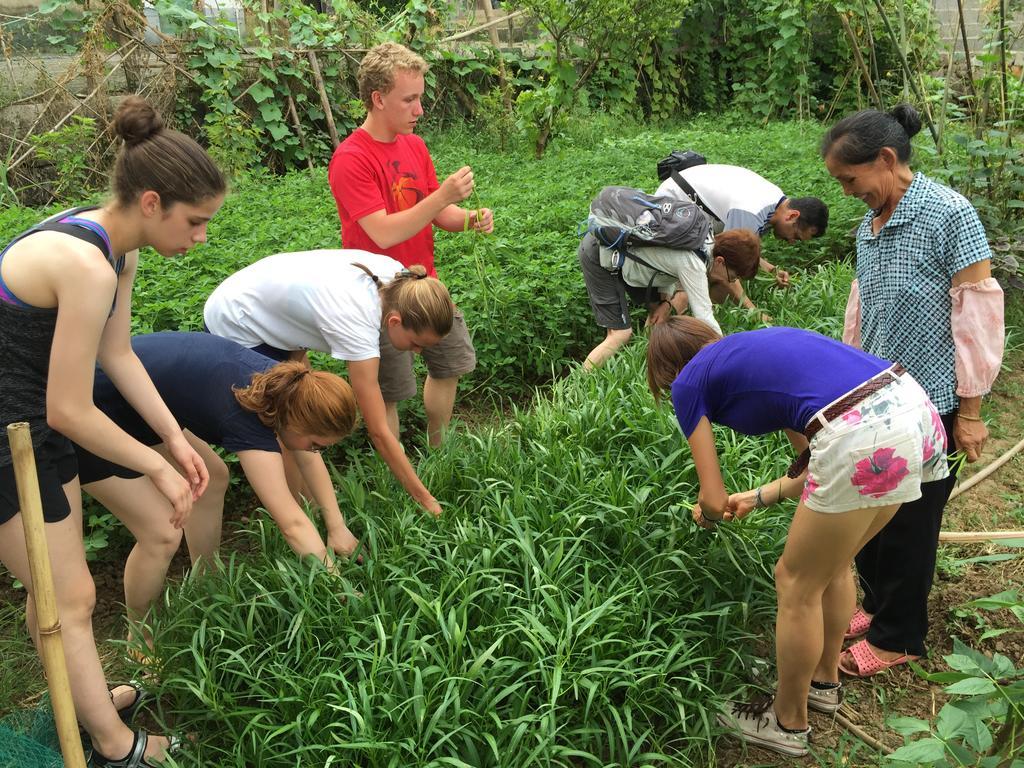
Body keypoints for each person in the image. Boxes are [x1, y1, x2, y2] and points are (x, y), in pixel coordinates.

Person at [0, 96, 225, 767]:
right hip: (11, 431)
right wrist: (154, 464)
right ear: (152, 202)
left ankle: (97, 695)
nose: (201, 236)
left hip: (39, 413)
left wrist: (175, 441)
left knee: (161, 526)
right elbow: (70, 411)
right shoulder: (86, 265)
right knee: (67, 598)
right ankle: (113, 746)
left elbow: (117, 355)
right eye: (196, 221)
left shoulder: (115, 252)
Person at [646, 318, 949, 757]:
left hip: (861, 430)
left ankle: (787, 723)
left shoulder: (688, 382)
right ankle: (823, 683)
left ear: (667, 371)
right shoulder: (753, 351)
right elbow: (811, 461)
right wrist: (757, 496)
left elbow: (711, 499)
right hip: (913, 408)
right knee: (834, 563)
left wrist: (708, 520)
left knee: (795, 582)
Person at [822, 104, 1004, 676]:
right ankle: (875, 604)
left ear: (885, 159)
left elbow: (976, 318)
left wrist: (969, 412)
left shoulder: (950, 214)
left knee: (912, 523)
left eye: (850, 180)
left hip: (934, 403)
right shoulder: (867, 228)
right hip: (877, 398)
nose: (848, 192)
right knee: (873, 509)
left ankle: (900, 635)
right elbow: (862, 310)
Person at [74, 331, 360, 643]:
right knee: (160, 534)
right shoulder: (248, 418)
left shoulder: (286, 386)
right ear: (299, 422)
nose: (316, 452)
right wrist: (337, 585)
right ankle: (140, 637)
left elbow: (305, 455)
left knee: (211, 478)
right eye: (317, 444)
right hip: (89, 414)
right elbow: (290, 521)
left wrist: (337, 525)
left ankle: (205, 583)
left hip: (141, 405)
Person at [204, 249, 453, 517]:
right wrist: (424, 498)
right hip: (238, 320)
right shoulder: (355, 320)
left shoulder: (402, 281)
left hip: (268, 301)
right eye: (416, 344)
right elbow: (378, 430)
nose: (417, 352)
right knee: (288, 427)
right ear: (395, 321)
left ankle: (320, 509)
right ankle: (299, 516)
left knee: (304, 413)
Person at [328, 41, 490, 448]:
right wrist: (443, 197)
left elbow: (438, 214)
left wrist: (470, 219)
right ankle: (394, 470)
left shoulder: (414, 145)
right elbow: (383, 231)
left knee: (449, 361)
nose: (420, 110)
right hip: (379, 294)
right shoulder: (351, 158)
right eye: (410, 99)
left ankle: (439, 447)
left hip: (425, 280)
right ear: (378, 99)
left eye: (420, 97)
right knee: (390, 390)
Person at [578, 228, 761, 369]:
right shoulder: (695, 263)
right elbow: (705, 317)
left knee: (659, 311)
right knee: (620, 334)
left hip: (626, 253)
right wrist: (729, 359)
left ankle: (645, 365)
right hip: (601, 253)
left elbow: (667, 262)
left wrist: (666, 301)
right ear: (720, 261)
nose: (731, 282)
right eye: (733, 277)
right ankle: (576, 389)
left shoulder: (704, 238)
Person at [655, 163, 829, 287]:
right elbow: (726, 261)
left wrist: (772, 270)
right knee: (698, 271)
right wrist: (753, 311)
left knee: (713, 272)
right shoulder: (753, 211)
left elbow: (741, 251)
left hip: (696, 206)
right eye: (796, 236)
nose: (791, 242)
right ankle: (662, 323)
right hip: (676, 200)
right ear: (792, 216)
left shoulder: (776, 204)